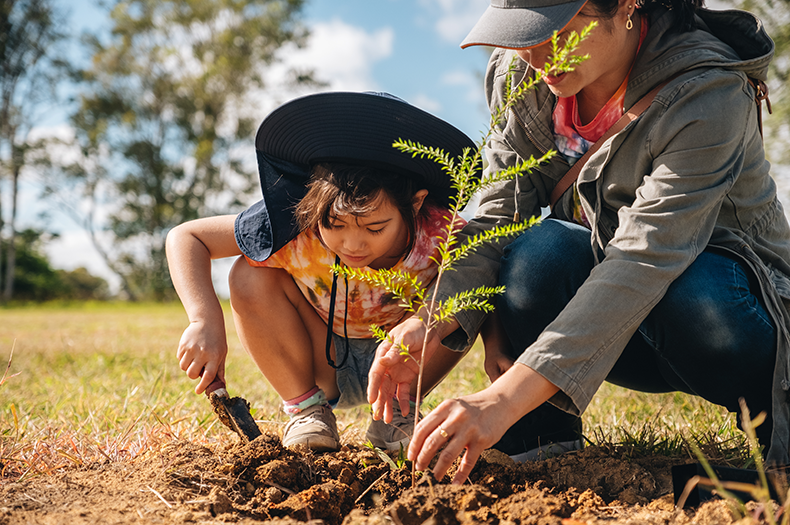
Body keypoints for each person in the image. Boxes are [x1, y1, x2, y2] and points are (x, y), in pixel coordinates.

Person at [367, 0, 790, 483]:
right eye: (524, 33)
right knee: (534, 254)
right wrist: (433, 319)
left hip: (728, 319)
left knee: (691, 287)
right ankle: (543, 442)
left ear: (628, 5)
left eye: (559, 31)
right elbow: (495, 217)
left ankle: (777, 441)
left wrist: (499, 399)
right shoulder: (518, 77)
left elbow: (643, 261)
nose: (536, 54)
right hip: (616, 333)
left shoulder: (708, 91)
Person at [166, 92, 476, 453]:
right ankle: (308, 412)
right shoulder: (295, 226)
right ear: (314, 202)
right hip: (320, 359)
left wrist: (495, 346)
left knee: (469, 284)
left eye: (375, 228)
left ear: (415, 203)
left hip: (409, 360)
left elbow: (487, 276)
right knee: (248, 274)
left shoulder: (442, 232)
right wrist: (203, 320)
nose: (352, 244)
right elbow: (187, 236)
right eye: (335, 224)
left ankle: (396, 418)